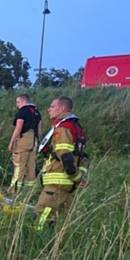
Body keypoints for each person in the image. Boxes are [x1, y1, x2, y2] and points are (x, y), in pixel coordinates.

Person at [34, 96, 89, 231]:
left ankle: (35, 242)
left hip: (56, 184)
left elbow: (66, 156)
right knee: (58, 220)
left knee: (41, 216)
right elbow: (82, 157)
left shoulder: (63, 127)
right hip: (68, 186)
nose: (48, 110)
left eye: (52, 106)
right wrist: (80, 178)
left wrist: (75, 176)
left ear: (62, 108)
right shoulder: (76, 127)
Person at [7, 94, 42, 195]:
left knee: (19, 166)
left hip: (23, 141)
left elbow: (18, 128)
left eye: (18, 102)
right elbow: (39, 130)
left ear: (22, 101)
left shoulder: (22, 112)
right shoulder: (36, 112)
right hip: (33, 142)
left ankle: (13, 191)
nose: (17, 104)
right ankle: (29, 192)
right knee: (31, 166)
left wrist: (11, 142)